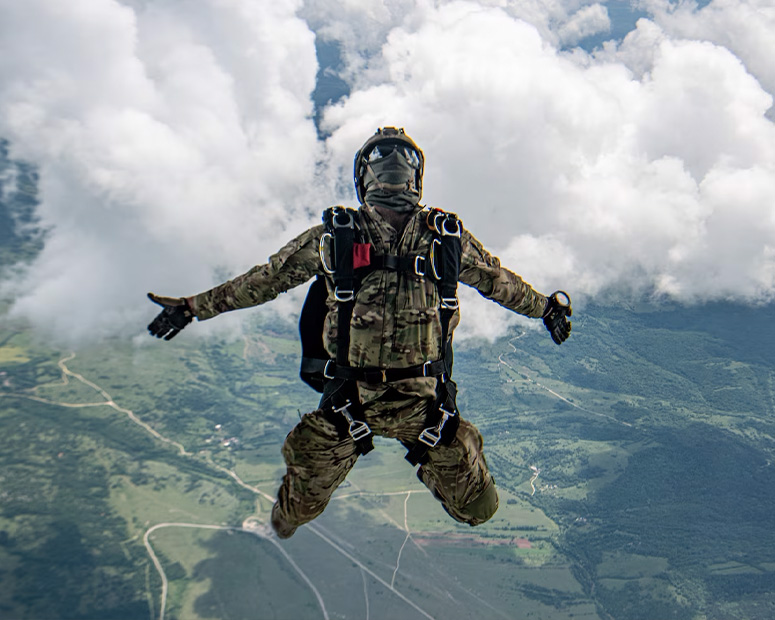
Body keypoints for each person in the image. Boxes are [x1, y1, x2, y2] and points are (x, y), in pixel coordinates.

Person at [147, 127, 572, 539]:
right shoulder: (442, 239)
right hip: (409, 407)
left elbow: (264, 280)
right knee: (476, 509)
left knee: (295, 513)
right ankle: (293, 516)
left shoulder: (343, 237)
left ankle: (286, 519)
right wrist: (547, 309)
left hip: (360, 405)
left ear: (362, 179)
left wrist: (192, 308)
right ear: (417, 179)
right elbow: (503, 285)